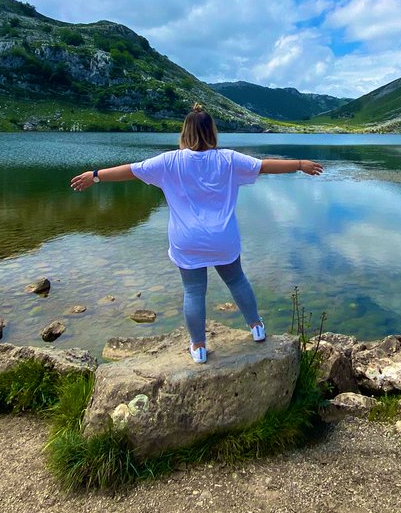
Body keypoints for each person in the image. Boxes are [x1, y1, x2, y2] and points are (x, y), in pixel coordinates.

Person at [70, 104, 324, 363]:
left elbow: (130, 170)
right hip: (222, 238)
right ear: (212, 132)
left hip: (186, 240)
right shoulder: (228, 159)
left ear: (184, 133)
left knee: (193, 291)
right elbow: (265, 166)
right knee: (237, 281)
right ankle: (257, 328)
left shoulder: (169, 161)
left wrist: (95, 176)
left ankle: (199, 348)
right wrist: (300, 164)